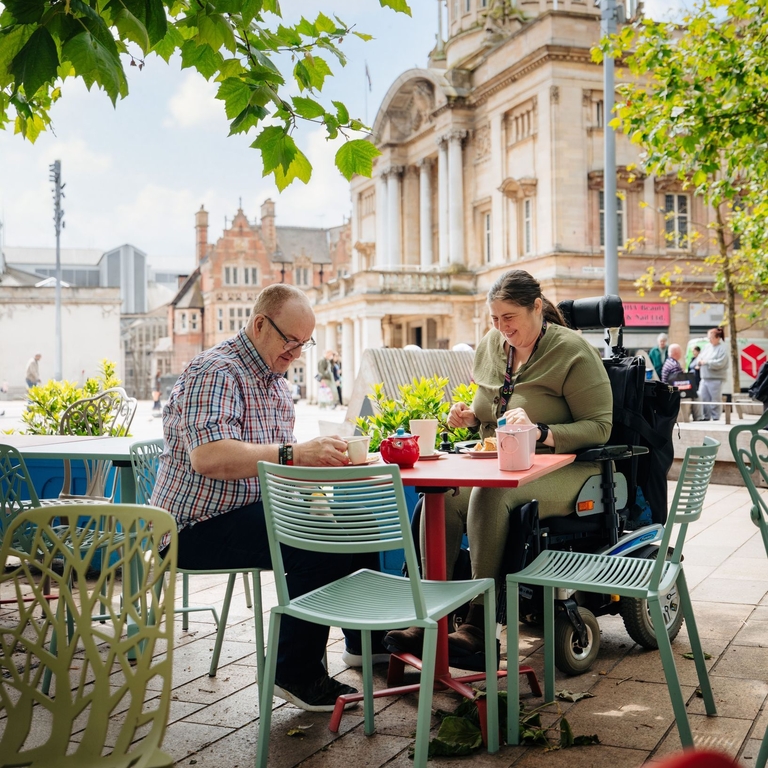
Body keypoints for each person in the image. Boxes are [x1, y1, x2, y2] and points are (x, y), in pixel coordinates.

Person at [151, 284, 388, 712]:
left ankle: (364, 645)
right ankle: (293, 672)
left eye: (305, 343)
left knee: (361, 524)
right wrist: (297, 454)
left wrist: (327, 466)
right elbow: (209, 457)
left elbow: (281, 468)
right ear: (260, 325)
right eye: (291, 341)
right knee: (309, 539)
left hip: (252, 512)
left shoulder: (277, 385)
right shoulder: (215, 371)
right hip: (191, 527)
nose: (297, 353)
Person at [383, 270, 613, 664]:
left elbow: (601, 427)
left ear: (536, 308)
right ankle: (431, 617)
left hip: (565, 469)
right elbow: (487, 410)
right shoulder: (493, 345)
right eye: (494, 319)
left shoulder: (572, 351)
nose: (501, 327)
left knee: (490, 496)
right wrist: (467, 417)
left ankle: (478, 625)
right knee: (442, 498)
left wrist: (540, 432)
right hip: (504, 465)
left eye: (509, 318)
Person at [695, 327, 729, 421]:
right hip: (704, 377)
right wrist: (699, 362)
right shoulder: (707, 347)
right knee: (703, 398)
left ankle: (716, 417)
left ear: (718, 338)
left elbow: (720, 363)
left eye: (711, 338)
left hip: (716, 378)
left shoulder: (722, 348)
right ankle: (706, 416)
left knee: (715, 400)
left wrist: (706, 362)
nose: (709, 340)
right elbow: (700, 357)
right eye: (709, 338)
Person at [687, 345, 703, 421]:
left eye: (694, 351)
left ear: (698, 351)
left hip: (697, 379)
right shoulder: (692, 359)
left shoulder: (700, 359)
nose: (693, 352)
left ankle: (698, 416)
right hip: (691, 379)